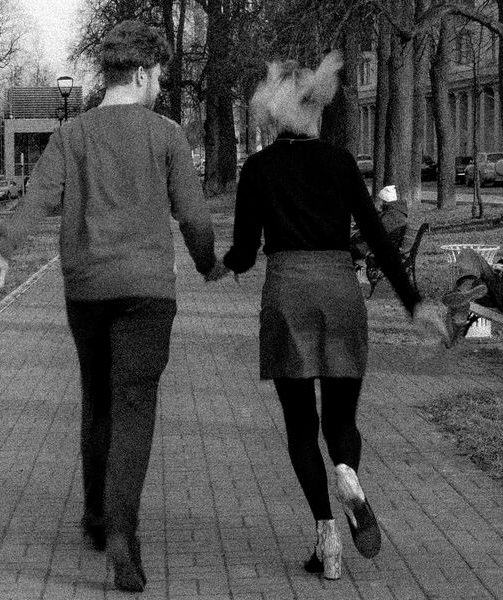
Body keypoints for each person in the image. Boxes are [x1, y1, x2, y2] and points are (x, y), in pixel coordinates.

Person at [0, 20, 218, 593]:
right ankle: (122, 531)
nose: (160, 85)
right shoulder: (166, 136)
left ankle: (95, 516)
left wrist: (3, 247)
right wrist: (208, 262)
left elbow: (39, 196)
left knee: (97, 398)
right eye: (158, 75)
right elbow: (193, 215)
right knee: (134, 406)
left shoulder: (72, 135)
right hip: (148, 293)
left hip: (86, 290)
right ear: (140, 73)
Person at [209, 53, 447, 580]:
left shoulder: (259, 169)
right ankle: (347, 472)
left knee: (301, 424)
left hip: (287, 292)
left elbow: (245, 252)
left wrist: (222, 267)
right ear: (314, 109)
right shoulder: (340, 163)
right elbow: (379, 238)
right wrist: (415, 304)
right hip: (340, 291)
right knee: (341, 420)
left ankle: (327, 537)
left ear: (274, 112)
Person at [442, 248, 503, 344]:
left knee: (476, 283)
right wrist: (500, 265)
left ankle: (461, 300)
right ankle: (463, 294)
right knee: (468, 253)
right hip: (493, 287)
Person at [350, 184, 407, 284]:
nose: (379, 202)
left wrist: (359, 234)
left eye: (380, 200)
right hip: (386, 245)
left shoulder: (391, 216)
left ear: (385, 201)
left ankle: (358, 273)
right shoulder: (396, 212)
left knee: (351, 247)